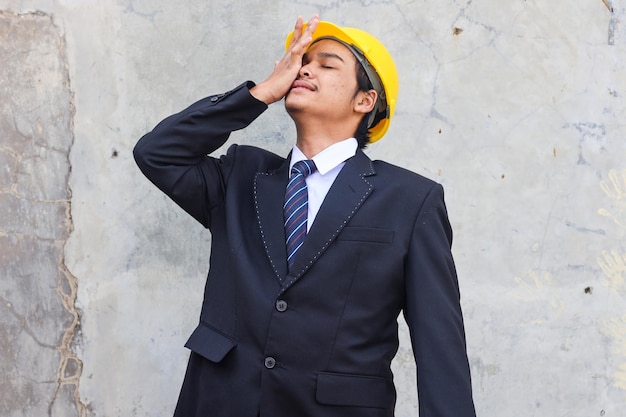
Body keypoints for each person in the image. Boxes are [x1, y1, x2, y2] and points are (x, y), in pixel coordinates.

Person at [134, 15, 476, 417]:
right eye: (302, 62)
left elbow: (440, 346)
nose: (306, 68)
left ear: (364, 101)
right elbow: (157, 153)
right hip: (219, 402)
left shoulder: (411, 200)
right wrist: (257, 95)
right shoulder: (241, 176)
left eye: (327, 64)